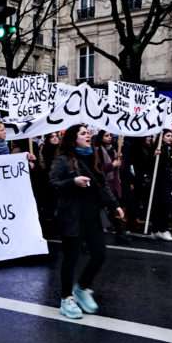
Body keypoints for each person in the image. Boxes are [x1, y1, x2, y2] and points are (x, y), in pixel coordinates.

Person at [50, 124, 123, 319]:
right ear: (74, 139)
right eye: (83, 133)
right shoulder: (63, 159)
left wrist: (114, 205)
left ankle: (82, 287)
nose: (88, 135)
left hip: (92, 215)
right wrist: (72, 182)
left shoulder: (93, 156)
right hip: (72, 216)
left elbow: (102, 184)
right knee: (71, 259)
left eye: (88, 132)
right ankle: (66, 298)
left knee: (99, 254)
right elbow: (54, 184)